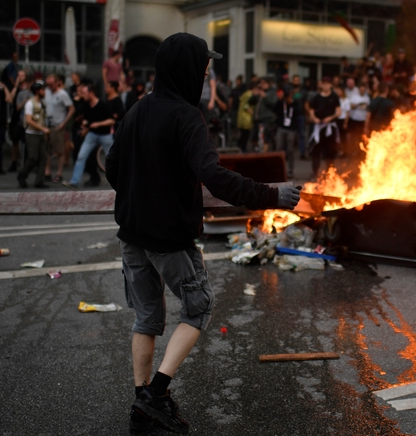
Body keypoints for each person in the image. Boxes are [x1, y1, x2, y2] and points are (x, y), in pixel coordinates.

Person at [105, 33, 300, 434]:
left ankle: (142, 406)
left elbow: (112, 166)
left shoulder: (138, 110)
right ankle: (156, 394)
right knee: (198, 307)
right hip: (167, 238)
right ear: (188, 71)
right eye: (205, 70)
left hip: (132, 235)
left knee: (147, 318)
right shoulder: (186, 117)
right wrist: (272, 195)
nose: (208, 77)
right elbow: (213, 176)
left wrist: (142, 194)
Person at [63, 83, 115, 189]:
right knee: (81, 156)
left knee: (113, 159)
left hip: (105, 136)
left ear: (91, 93)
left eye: (85, 93)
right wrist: (86, 126)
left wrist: (98, 124)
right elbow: (86, 119)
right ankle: (74, 182)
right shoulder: (86, 105)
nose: (83, 95)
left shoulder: (102, 105)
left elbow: (111, 120)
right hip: (92, 135)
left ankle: (121, 181)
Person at [17, 81, 50, 188]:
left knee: (43, 158)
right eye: (42, 90)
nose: (44, 92)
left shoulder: (42, 104)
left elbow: (43, 119)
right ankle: (22, 175)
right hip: (32, 133)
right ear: (37, 91)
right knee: (32, 157)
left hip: (41, 134)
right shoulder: (30, 103)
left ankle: (39, 181)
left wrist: (44, 132)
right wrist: (43, 129)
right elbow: (29, 120)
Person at [42, 74, 75, 183]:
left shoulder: (62, 94)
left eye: (52, 84)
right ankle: (47, 171)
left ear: (57, 83)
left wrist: (64, 122)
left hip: (58, 125)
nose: (50, 86)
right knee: (47, 149)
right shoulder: (46, 92)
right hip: (47, 124)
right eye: (48, 84)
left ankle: (59, 173)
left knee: (60, 150)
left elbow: (71, 109)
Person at [308, 76, 341, 178]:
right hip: (319, 128)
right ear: (321, 84)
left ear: (331, 85)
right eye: (324, 83)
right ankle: (315, 172)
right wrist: (314, 119)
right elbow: (311, 111)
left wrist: (330, 118)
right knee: (316, 151)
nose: (326, 85)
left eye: (328, 83)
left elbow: (338, 112)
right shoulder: (316, 97)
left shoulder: (334, 97)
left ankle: (329, 172)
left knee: (330, 151)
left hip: (330, 128)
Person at [273, 88, 302, 178]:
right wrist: (280, 99)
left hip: (291, 129)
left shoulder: (296, 103)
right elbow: (274, 109)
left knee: (290, 150)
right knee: (279, 148)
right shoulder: (281, 103)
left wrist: (292, 103)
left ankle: (290, 170)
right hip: (281, 127)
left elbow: (299, 112)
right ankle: (278, 169)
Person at [8, 70, 28, 172]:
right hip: (15, 118)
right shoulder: (15, 89)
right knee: (14, 141)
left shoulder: (28, 89)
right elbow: (10, 99)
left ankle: (26, 162)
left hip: (25, 117)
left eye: (22, 75)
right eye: (18, 75)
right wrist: (15, 86)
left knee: (26, 141)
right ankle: (14, 162)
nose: (20, 77)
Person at [346, 83, 370, 159]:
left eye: (364, 90)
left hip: (363, 120)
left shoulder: (367, 98)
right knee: (354, 136)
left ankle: (360, 151)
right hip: (354, 119)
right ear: (359, 90)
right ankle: (353, 151)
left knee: (362, 136)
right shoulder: (354, 97)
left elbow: (368, 109)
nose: (362, 91)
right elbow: (351, 106)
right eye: (361, 89)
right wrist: (358, 104)